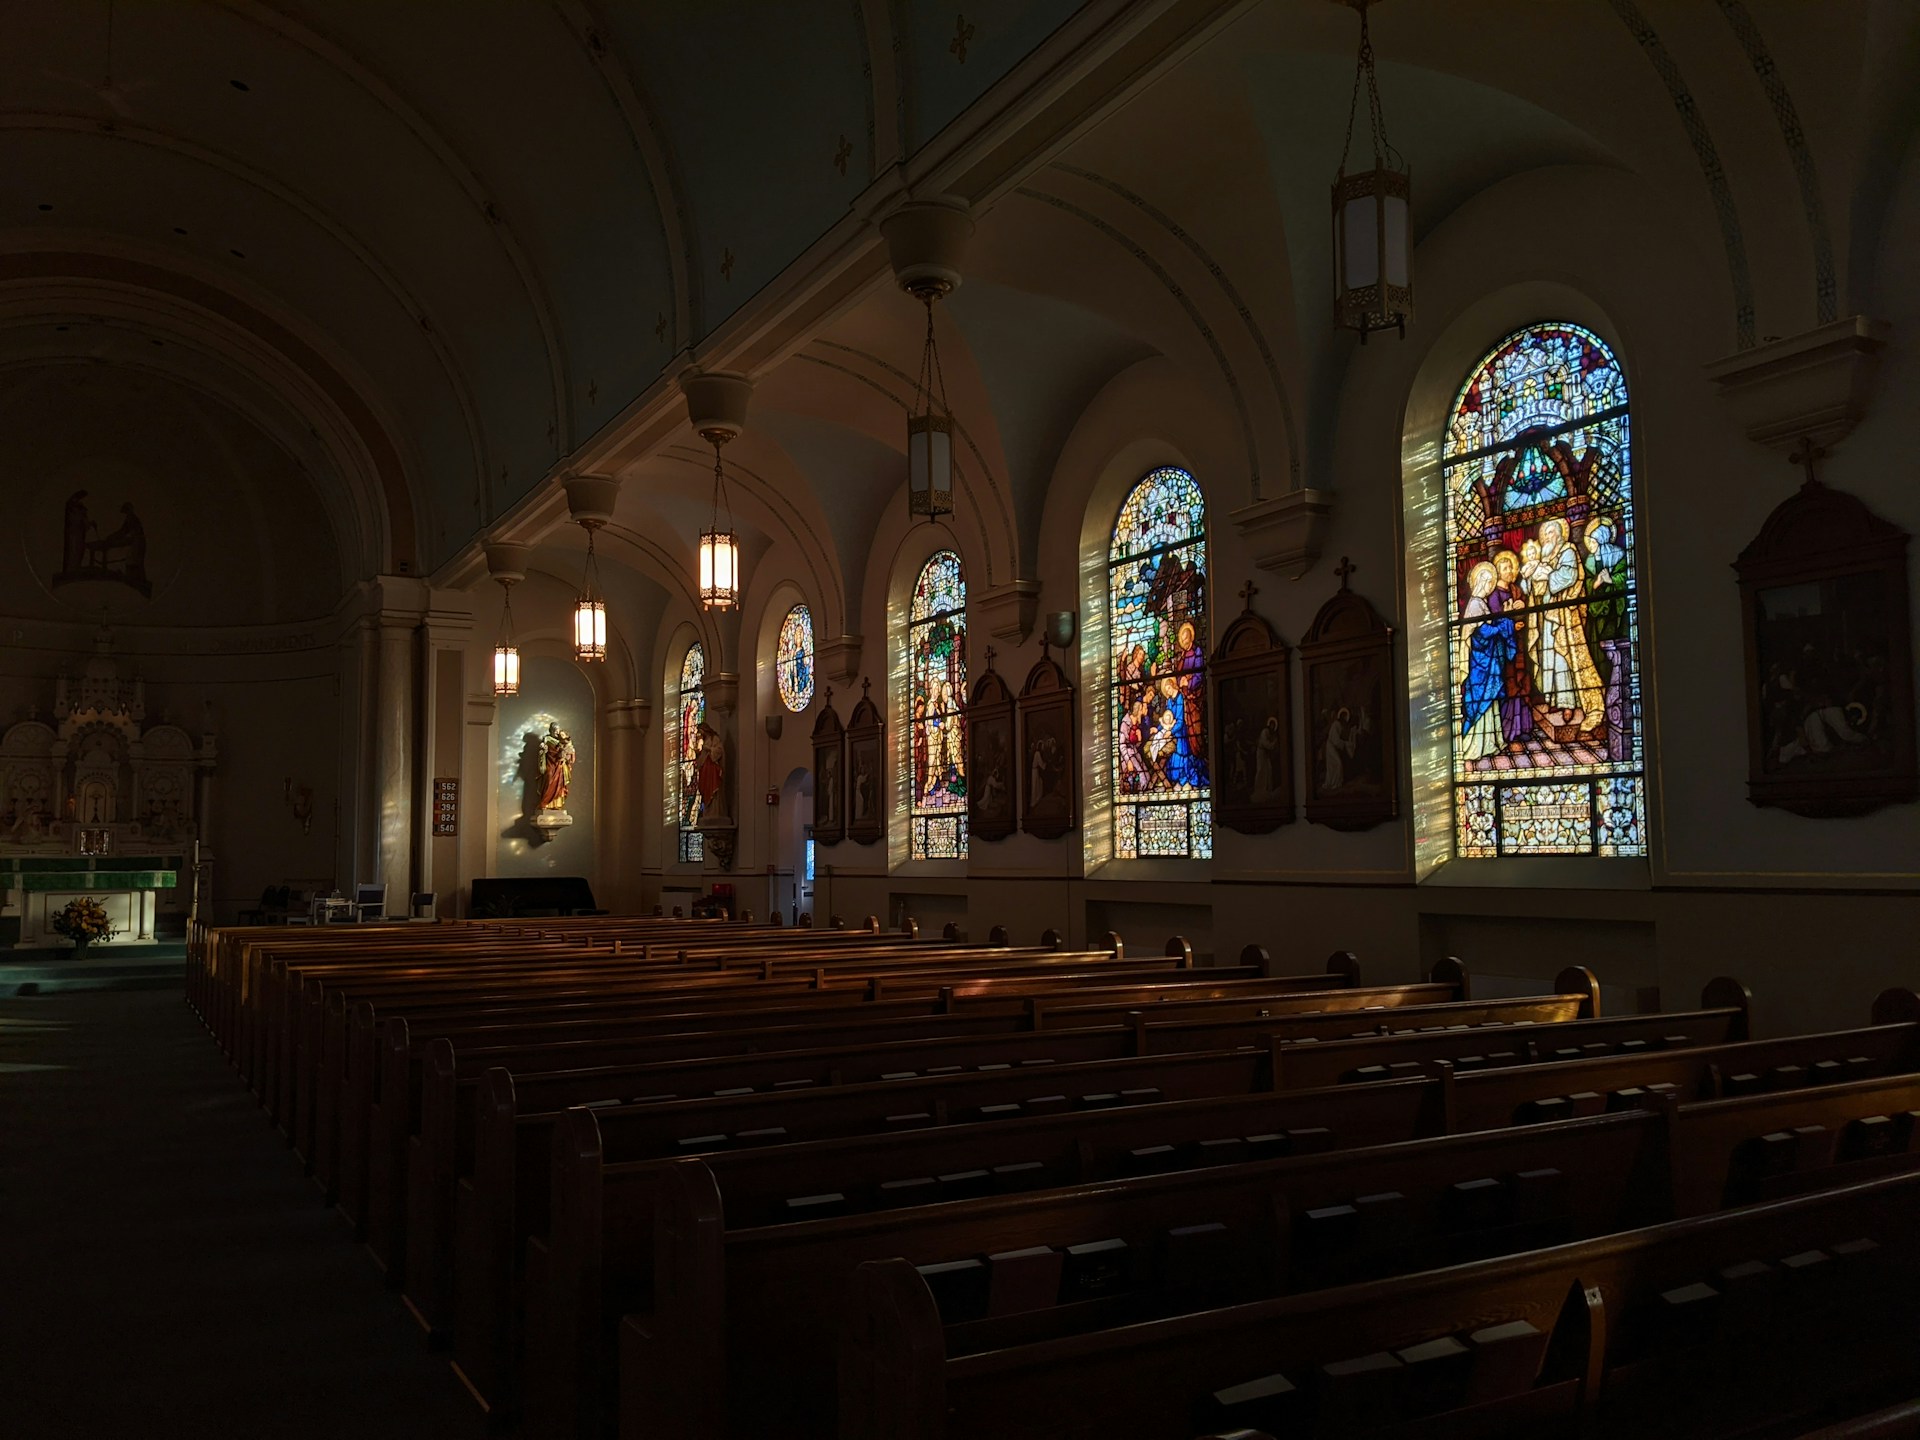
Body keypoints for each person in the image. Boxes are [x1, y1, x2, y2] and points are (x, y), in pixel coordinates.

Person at [1521, 519, 1606, 728]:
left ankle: (1569, 703)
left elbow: (1570, 576)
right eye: (1545, 534)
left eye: (1551, 532)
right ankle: (1555, 700)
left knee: (1563, 659)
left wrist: (1547, 574)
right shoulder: (1544, 557)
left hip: (1563, 617)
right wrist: (1530, 578)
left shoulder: (1568, 551)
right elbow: (1531, 590)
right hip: (1546, 618)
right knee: (1548, 659)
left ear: (1560, 534)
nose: (1548, 537)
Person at [1458, 561, 1516, 764]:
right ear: (1479, 582)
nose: (1489, 585)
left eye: (1492, 582)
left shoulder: (1481, 603)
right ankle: (1475, 746)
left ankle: (1492, 743)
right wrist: (1504, 624)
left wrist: (1502, 621)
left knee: (1490, 704)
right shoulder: (1475, 605)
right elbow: (1482, 633)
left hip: (1488, 662)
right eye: (1487, 581)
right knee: (1481, 701)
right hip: (1480, 665)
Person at [538, 723, 575, 810]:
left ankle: (556, 804)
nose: (556, 732)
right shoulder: (547, 739)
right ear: (550, 731)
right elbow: (543, 750)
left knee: (560, 784)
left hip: (559, 765)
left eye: (558, 730)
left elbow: (568, 753)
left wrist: (565, 754)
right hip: (550, 763)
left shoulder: (561, 741)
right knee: (549, 777)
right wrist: (543, 750)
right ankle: (545, 803)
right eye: (555, 730)